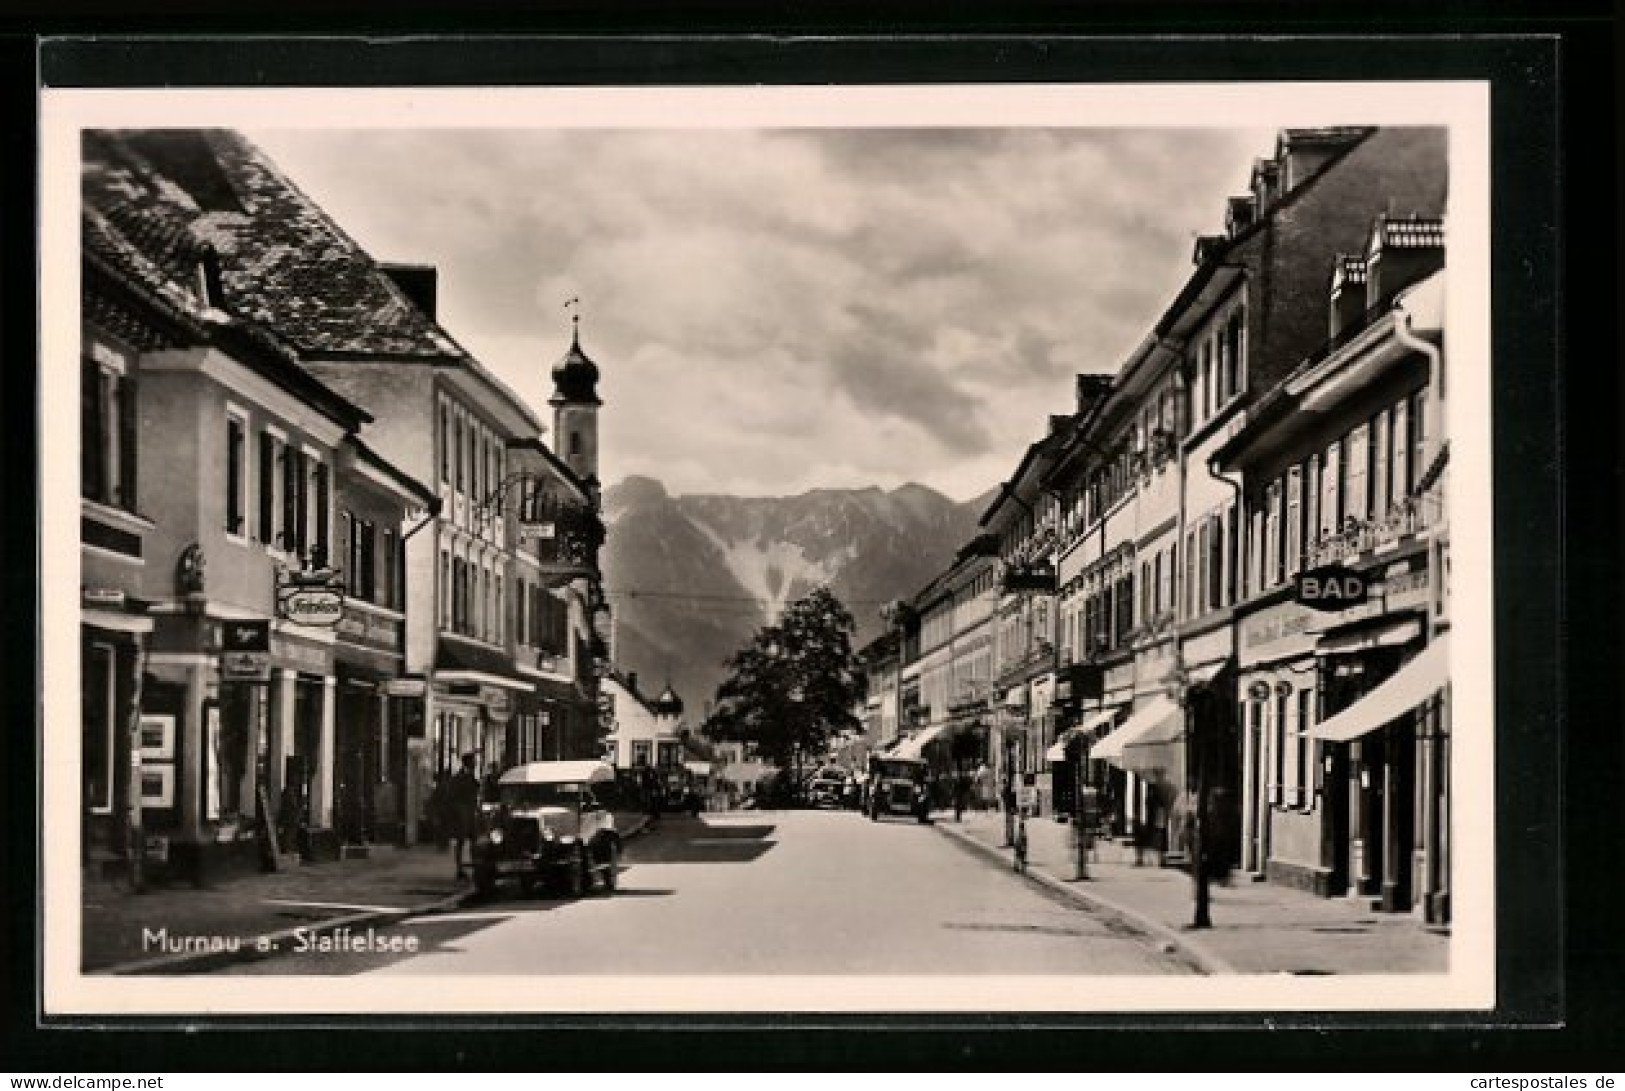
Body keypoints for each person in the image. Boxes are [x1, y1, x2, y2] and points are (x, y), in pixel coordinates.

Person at [446, 753, 480, 879]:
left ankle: (475, 866)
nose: (475, 764)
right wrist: (459, 811)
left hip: (471, 813)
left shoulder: (471, 777)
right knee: (461, 841)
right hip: (463, 814)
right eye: (473, 761)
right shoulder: (459, 778)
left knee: (474, 842)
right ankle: (460, 868)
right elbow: (452, 797)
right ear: (467, 763)